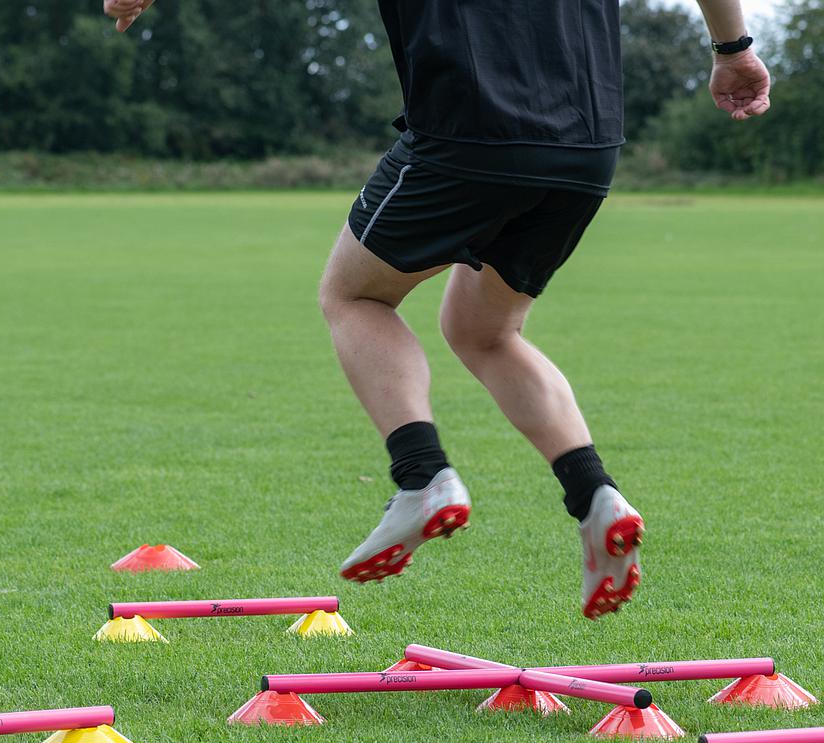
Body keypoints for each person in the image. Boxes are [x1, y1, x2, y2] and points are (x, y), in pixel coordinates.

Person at [103, 0, 771, 618]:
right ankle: (595, 497)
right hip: (587, 144)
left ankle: (422, 477)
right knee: (484, 330)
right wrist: (732, 47)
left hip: (471, 130)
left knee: (354, 294)